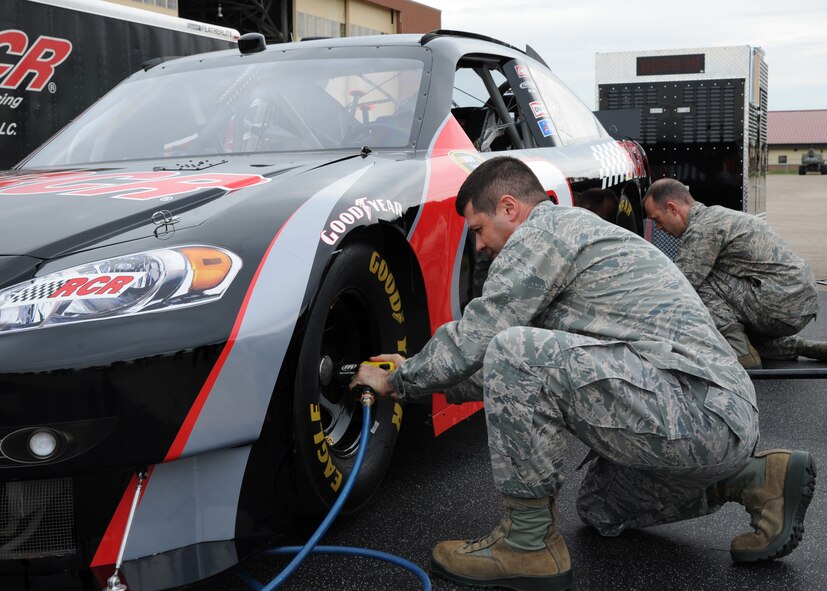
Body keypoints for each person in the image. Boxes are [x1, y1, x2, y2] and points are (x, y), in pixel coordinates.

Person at [351, 157, 816, 591]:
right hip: (702, 415)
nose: (478, 244)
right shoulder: (573, 245)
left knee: (515, 348)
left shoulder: (542, 234)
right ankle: (757, 479)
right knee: (599, 508)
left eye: (477, 228)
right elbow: (503, 372)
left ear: (509, 208)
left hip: (698, 407)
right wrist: (415, 382)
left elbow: (484, 337)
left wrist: (399, 379)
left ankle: (526, 547)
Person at [643, 178, 827, 369]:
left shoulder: (701, 228)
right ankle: (803, 347)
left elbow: (678, 286)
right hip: (797, 301)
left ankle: (740, 352)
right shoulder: (717, 216)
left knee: (695, 282)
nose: (658, 228)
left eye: (656, 219)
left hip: (779, 303)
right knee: (737, 327)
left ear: (672, 208)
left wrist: (640, 318)